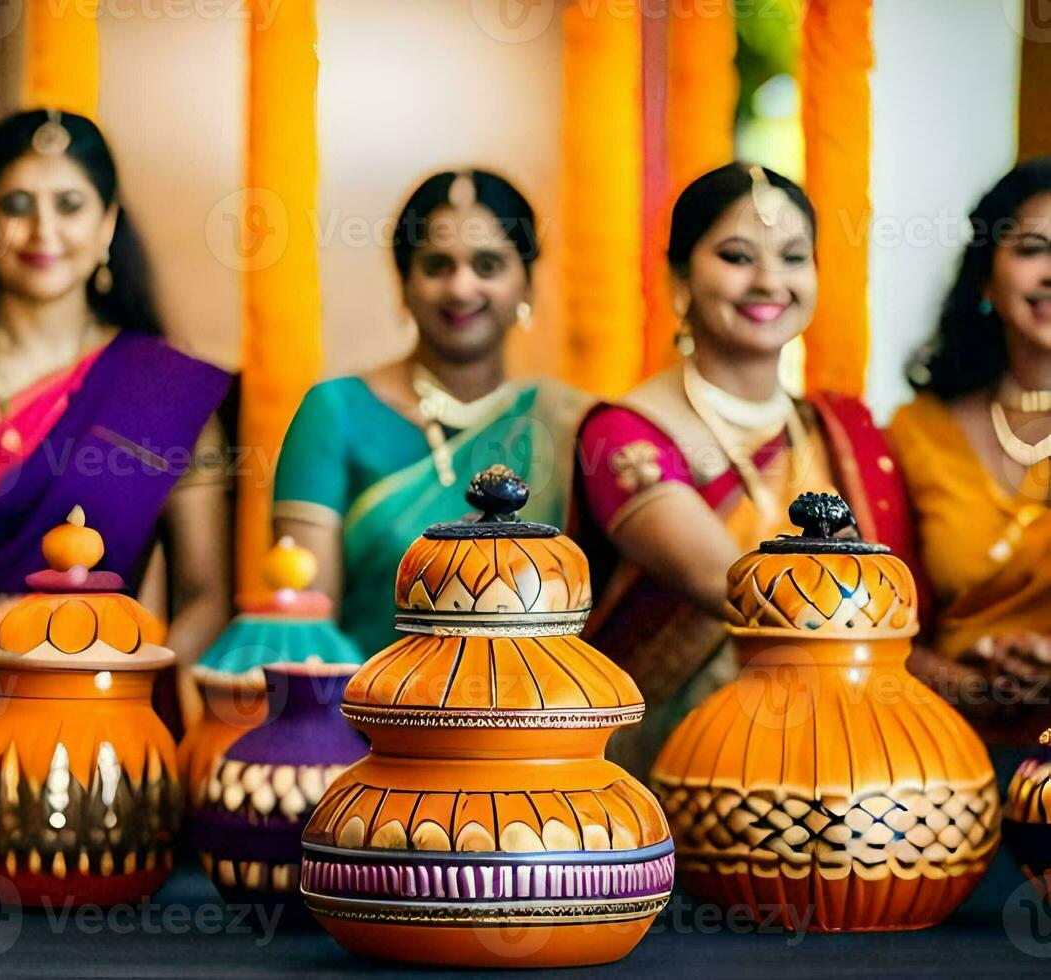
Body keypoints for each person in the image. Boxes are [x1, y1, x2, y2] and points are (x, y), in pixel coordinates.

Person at [0, 109, 232, 761]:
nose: (44, 230)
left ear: (108, 224)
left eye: (70, 205)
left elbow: (206, 594)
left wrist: (138, 672)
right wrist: (22, 631)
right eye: (17, 205)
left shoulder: (166, 386)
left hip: (116, 711)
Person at [573, 163, 921, 773]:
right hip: (670, 770)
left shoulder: (841, 432)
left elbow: (903, 608)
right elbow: (729, 587)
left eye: (793, 256)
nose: (769, 281)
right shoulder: (626, 433)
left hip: (839, 762)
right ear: (680, 280)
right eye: (737, 257)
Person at [272, 170, 593, 656]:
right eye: (437, 265)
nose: (461, 288)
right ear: (404, 282)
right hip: (370, 718)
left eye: (488, 265)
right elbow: (306, 634)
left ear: (527, 285)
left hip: (538, 718)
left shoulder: (567, 419)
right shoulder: (334, 412)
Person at [888, 158, 1051, 747]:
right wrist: (973, 687)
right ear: (986, 275)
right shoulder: (917, 434)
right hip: (946, 758)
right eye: (1033, 247)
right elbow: (869, 620)